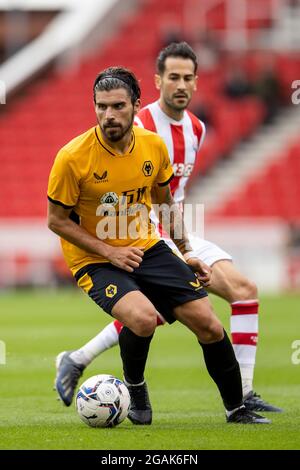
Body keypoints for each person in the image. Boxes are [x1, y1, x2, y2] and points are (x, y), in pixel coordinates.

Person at [55, 43, 281, 415]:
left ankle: (242, 395)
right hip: (139, 231)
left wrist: (186, 248)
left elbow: (169, 197)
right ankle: (91, 364)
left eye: (187, 78)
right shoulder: (137, 124)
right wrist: (114, 247)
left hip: (171, 228)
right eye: (172, 77)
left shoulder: (196, 128)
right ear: (158, 81)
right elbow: (61, 217)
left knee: (240, 293)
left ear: (196, 82)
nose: (180, 85)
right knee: (146, 313)